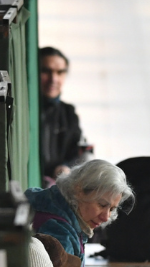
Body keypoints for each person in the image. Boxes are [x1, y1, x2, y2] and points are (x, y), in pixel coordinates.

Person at [28, 159, 134, 267]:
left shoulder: (61, 211)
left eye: (112, 208)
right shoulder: (59, 233)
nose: (106, 216)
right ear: (78, 189)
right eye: (102, 205)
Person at [39, 47, 92, 184]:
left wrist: (65, 167)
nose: (53, 79)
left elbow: (79, 152)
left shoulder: (69, 113)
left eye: (60, 72)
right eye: (46, 71)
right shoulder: (25, 109)